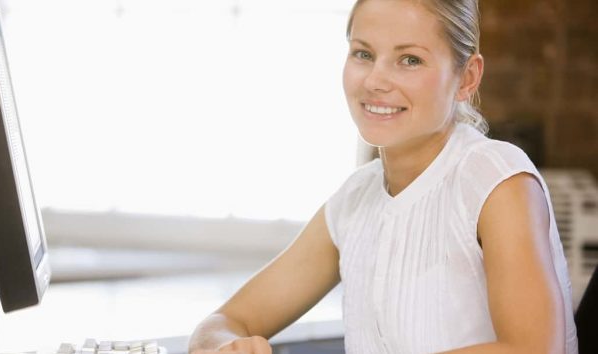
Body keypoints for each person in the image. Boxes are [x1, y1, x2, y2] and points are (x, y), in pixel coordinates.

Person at [188, 0, 579, 353]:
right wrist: (225, 348)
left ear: (467, 78)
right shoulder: (355, 200)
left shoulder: (497, 181)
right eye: (363, 53)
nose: (375, 80)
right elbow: (222, 323)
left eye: (409, 60)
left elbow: (533, 349)